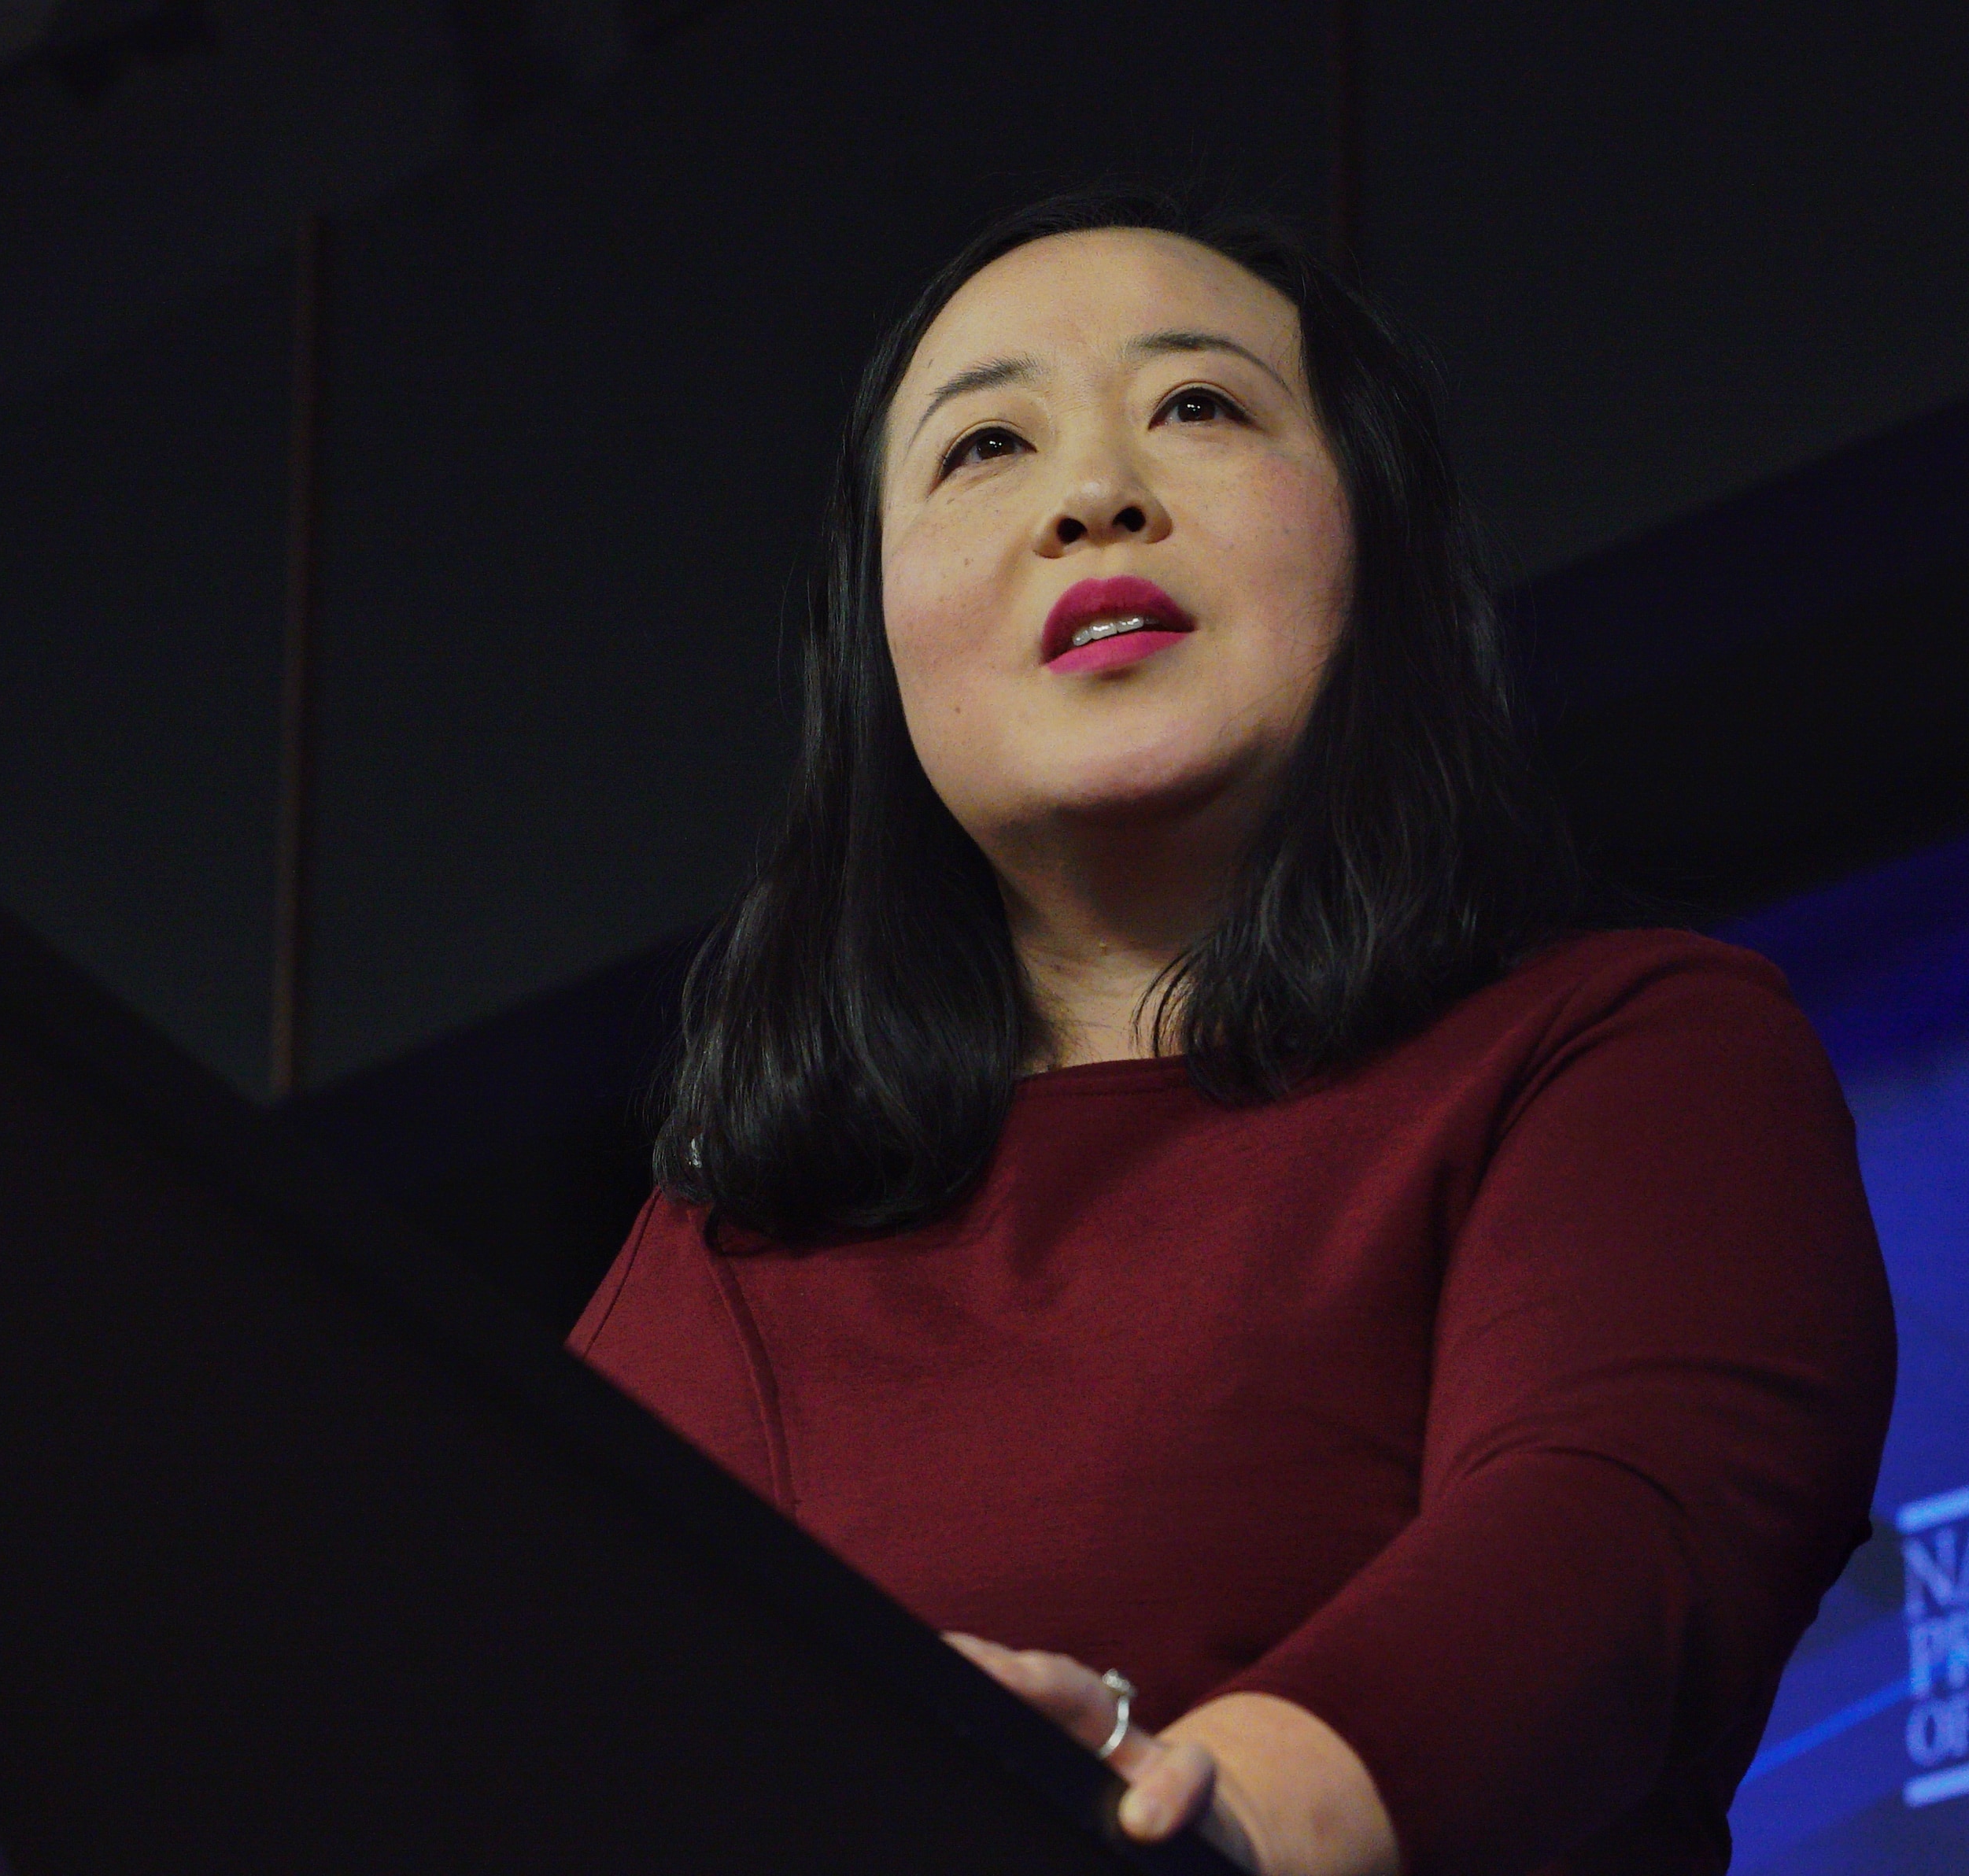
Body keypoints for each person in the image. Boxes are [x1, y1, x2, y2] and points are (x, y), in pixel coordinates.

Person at [568, 190, 1894, 1876]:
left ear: (1372, 544)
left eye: (1197, 407)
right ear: (871, 646)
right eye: (983, 447)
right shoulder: (724, 1250)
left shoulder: (1622, 1049)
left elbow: (1611, 1522)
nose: (1093, 494)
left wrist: (1209, 1820)